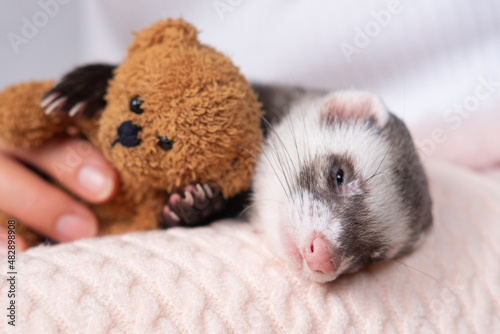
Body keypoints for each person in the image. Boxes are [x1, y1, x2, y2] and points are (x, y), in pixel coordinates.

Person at [1, 0, 499, 250]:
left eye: (364, 253)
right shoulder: (234, 106)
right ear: (341, 112)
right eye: (340, 178)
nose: (324, 252)